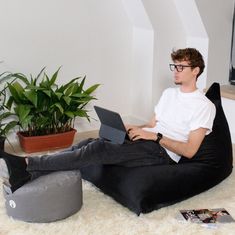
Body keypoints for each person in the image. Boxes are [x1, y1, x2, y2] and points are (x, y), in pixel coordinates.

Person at [0, 48, 216, 193]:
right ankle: (25, 176)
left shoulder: (203, 106)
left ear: (195, 71)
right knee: (88, 143)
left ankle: (26, 163)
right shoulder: (169, 93)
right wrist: (132, 128)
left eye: (181, 67)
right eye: (174, 66)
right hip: (147, 139)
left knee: (97, 150)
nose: (175, 71)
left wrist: (156, 137)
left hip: (162, 153)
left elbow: (189, 151)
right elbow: (152, 124)